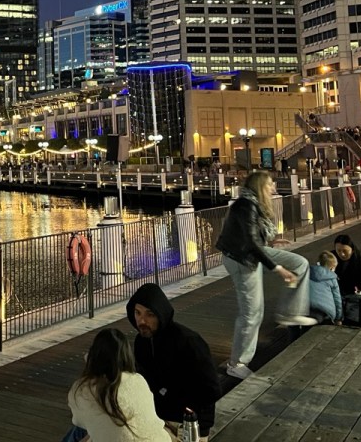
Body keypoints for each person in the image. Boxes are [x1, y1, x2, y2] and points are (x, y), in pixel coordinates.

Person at [215, 171, 316, 380]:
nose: (273, 188)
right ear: (261, 186)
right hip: (242, 258)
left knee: (300, 263)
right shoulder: (245, 206)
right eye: (270, 184)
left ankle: (290, 312)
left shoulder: (252, 205)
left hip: (250, 252)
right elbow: (249, 242)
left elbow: (252, 238)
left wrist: (271, 244)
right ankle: (237, 363)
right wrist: (277, 268)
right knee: (251, 312)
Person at [127, 283, 221, 442]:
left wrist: (195, 425)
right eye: (137, 313)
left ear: (160, 314)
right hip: (155, 419)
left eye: (150, 314)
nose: (142, 320)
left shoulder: (188, 342)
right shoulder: (141, 342)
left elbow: (211, 390)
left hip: (186, 423)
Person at [65, 328, 175, 442]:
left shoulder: (84, 389)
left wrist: (90, 361)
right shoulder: (138, 379)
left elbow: (78, 420)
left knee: (79, 431)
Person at [309, 251, 343, 325]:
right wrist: (338, 318)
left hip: (305, 308)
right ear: (332, 268)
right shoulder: (332, 278)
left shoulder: (308, 273)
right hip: (325, 312)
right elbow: (337, 300)